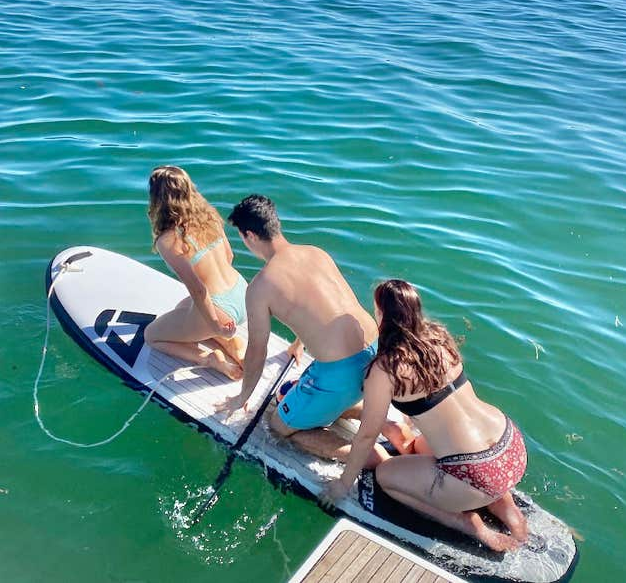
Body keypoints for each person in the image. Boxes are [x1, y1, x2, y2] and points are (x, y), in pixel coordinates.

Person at [321, 279, 529, 552]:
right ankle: (508, 509)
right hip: (510, 446)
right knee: (418, 446)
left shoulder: (386, 369)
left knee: (386, 476)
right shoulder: (439, 338)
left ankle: (467, 523)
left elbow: (367, 435)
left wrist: (342, 484)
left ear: (382, 315)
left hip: (473, 469)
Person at [219, 194, 397, 463]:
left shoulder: (260, 287)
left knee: (278, 426)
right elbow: (323, 306)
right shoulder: (316, 252)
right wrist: (297, 344)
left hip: (342, 375)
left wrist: (242, 396)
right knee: (313, 393)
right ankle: (387, 424)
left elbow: (257, 351)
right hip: (376, 354)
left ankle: (369, 457)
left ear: (250, 236)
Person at [144, 166, 247, 380]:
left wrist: (216, 325)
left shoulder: (168, 240)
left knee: (151, 335)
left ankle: (209, 359)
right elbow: (229, 257)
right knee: (181, 308)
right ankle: (232, 343)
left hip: (220, 309)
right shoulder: (208, 214)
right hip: (241, 292)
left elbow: (198, 290)